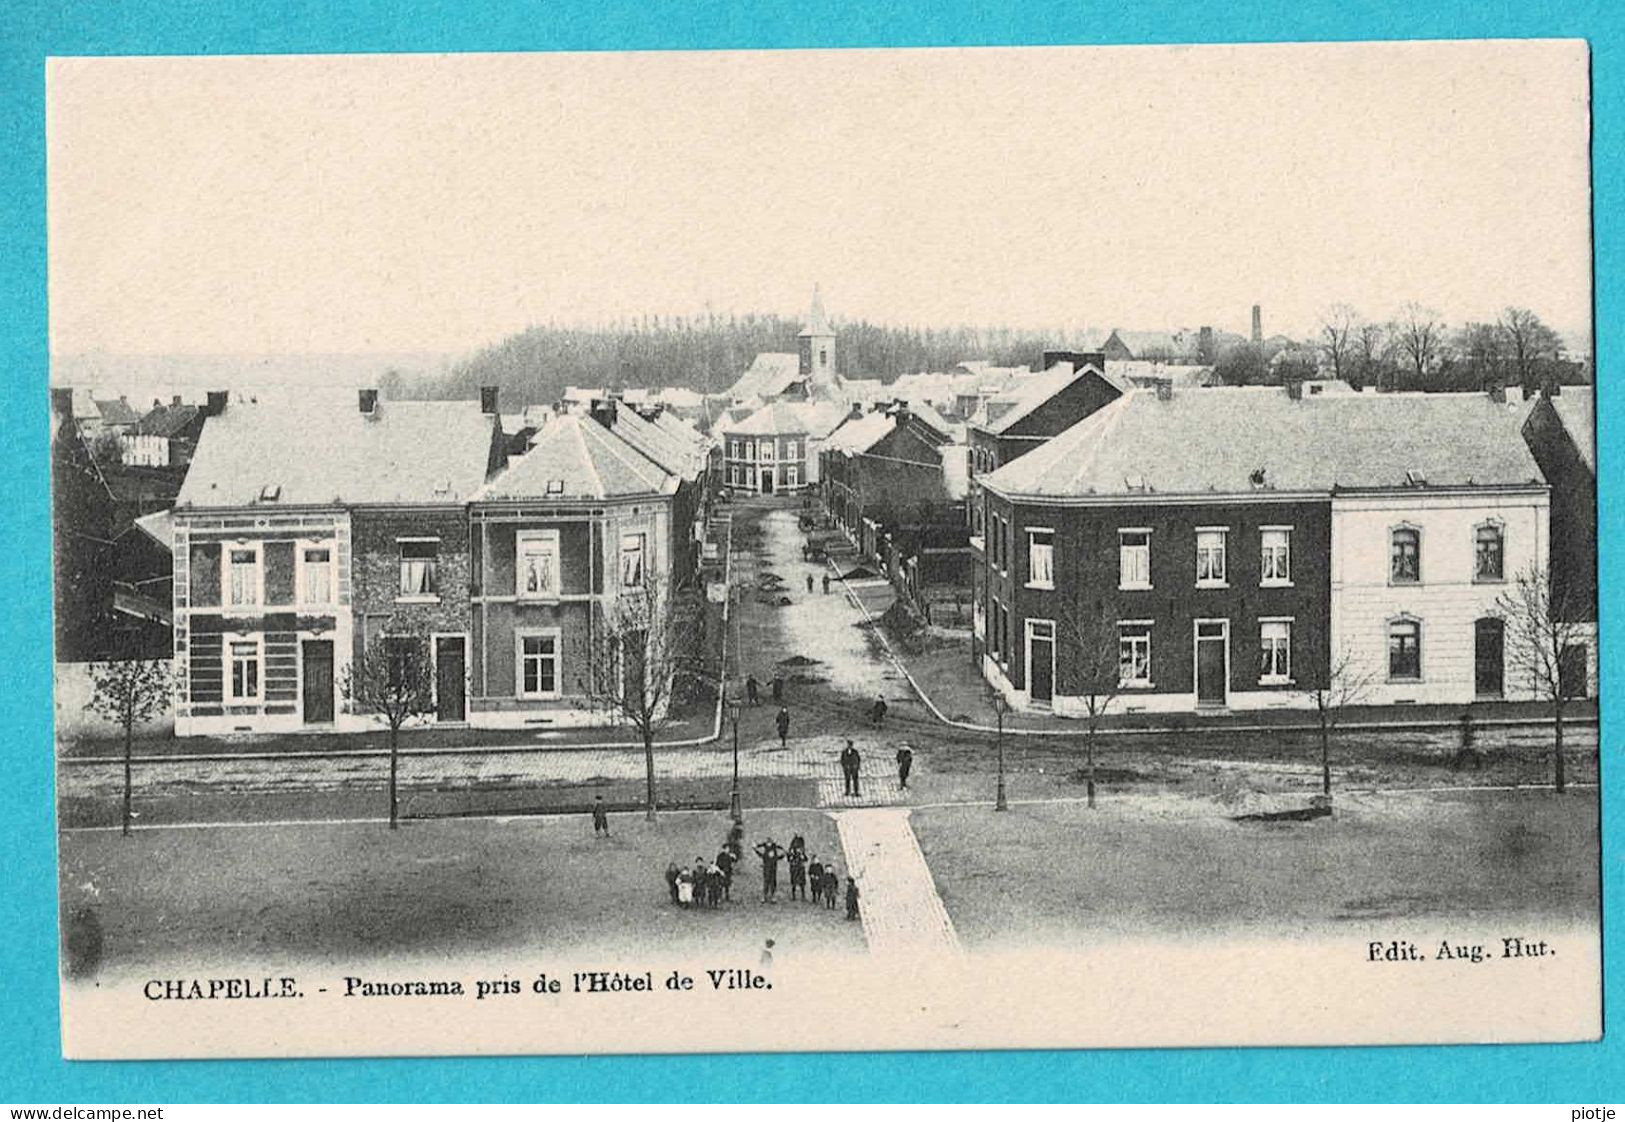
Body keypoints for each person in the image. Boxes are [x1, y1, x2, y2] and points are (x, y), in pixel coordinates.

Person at [754, 837, 786, 902]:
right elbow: (760, 854)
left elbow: (778, 857)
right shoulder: (765, 854)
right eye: (768, 843)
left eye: (770, 843)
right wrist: (756, 849)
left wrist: (783, 854)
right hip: (766, 870)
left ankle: (772, 896)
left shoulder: (774, 851)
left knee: (773, 883)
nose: (769, 844)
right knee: (766, 882)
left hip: (773, 869)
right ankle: (764, 896)